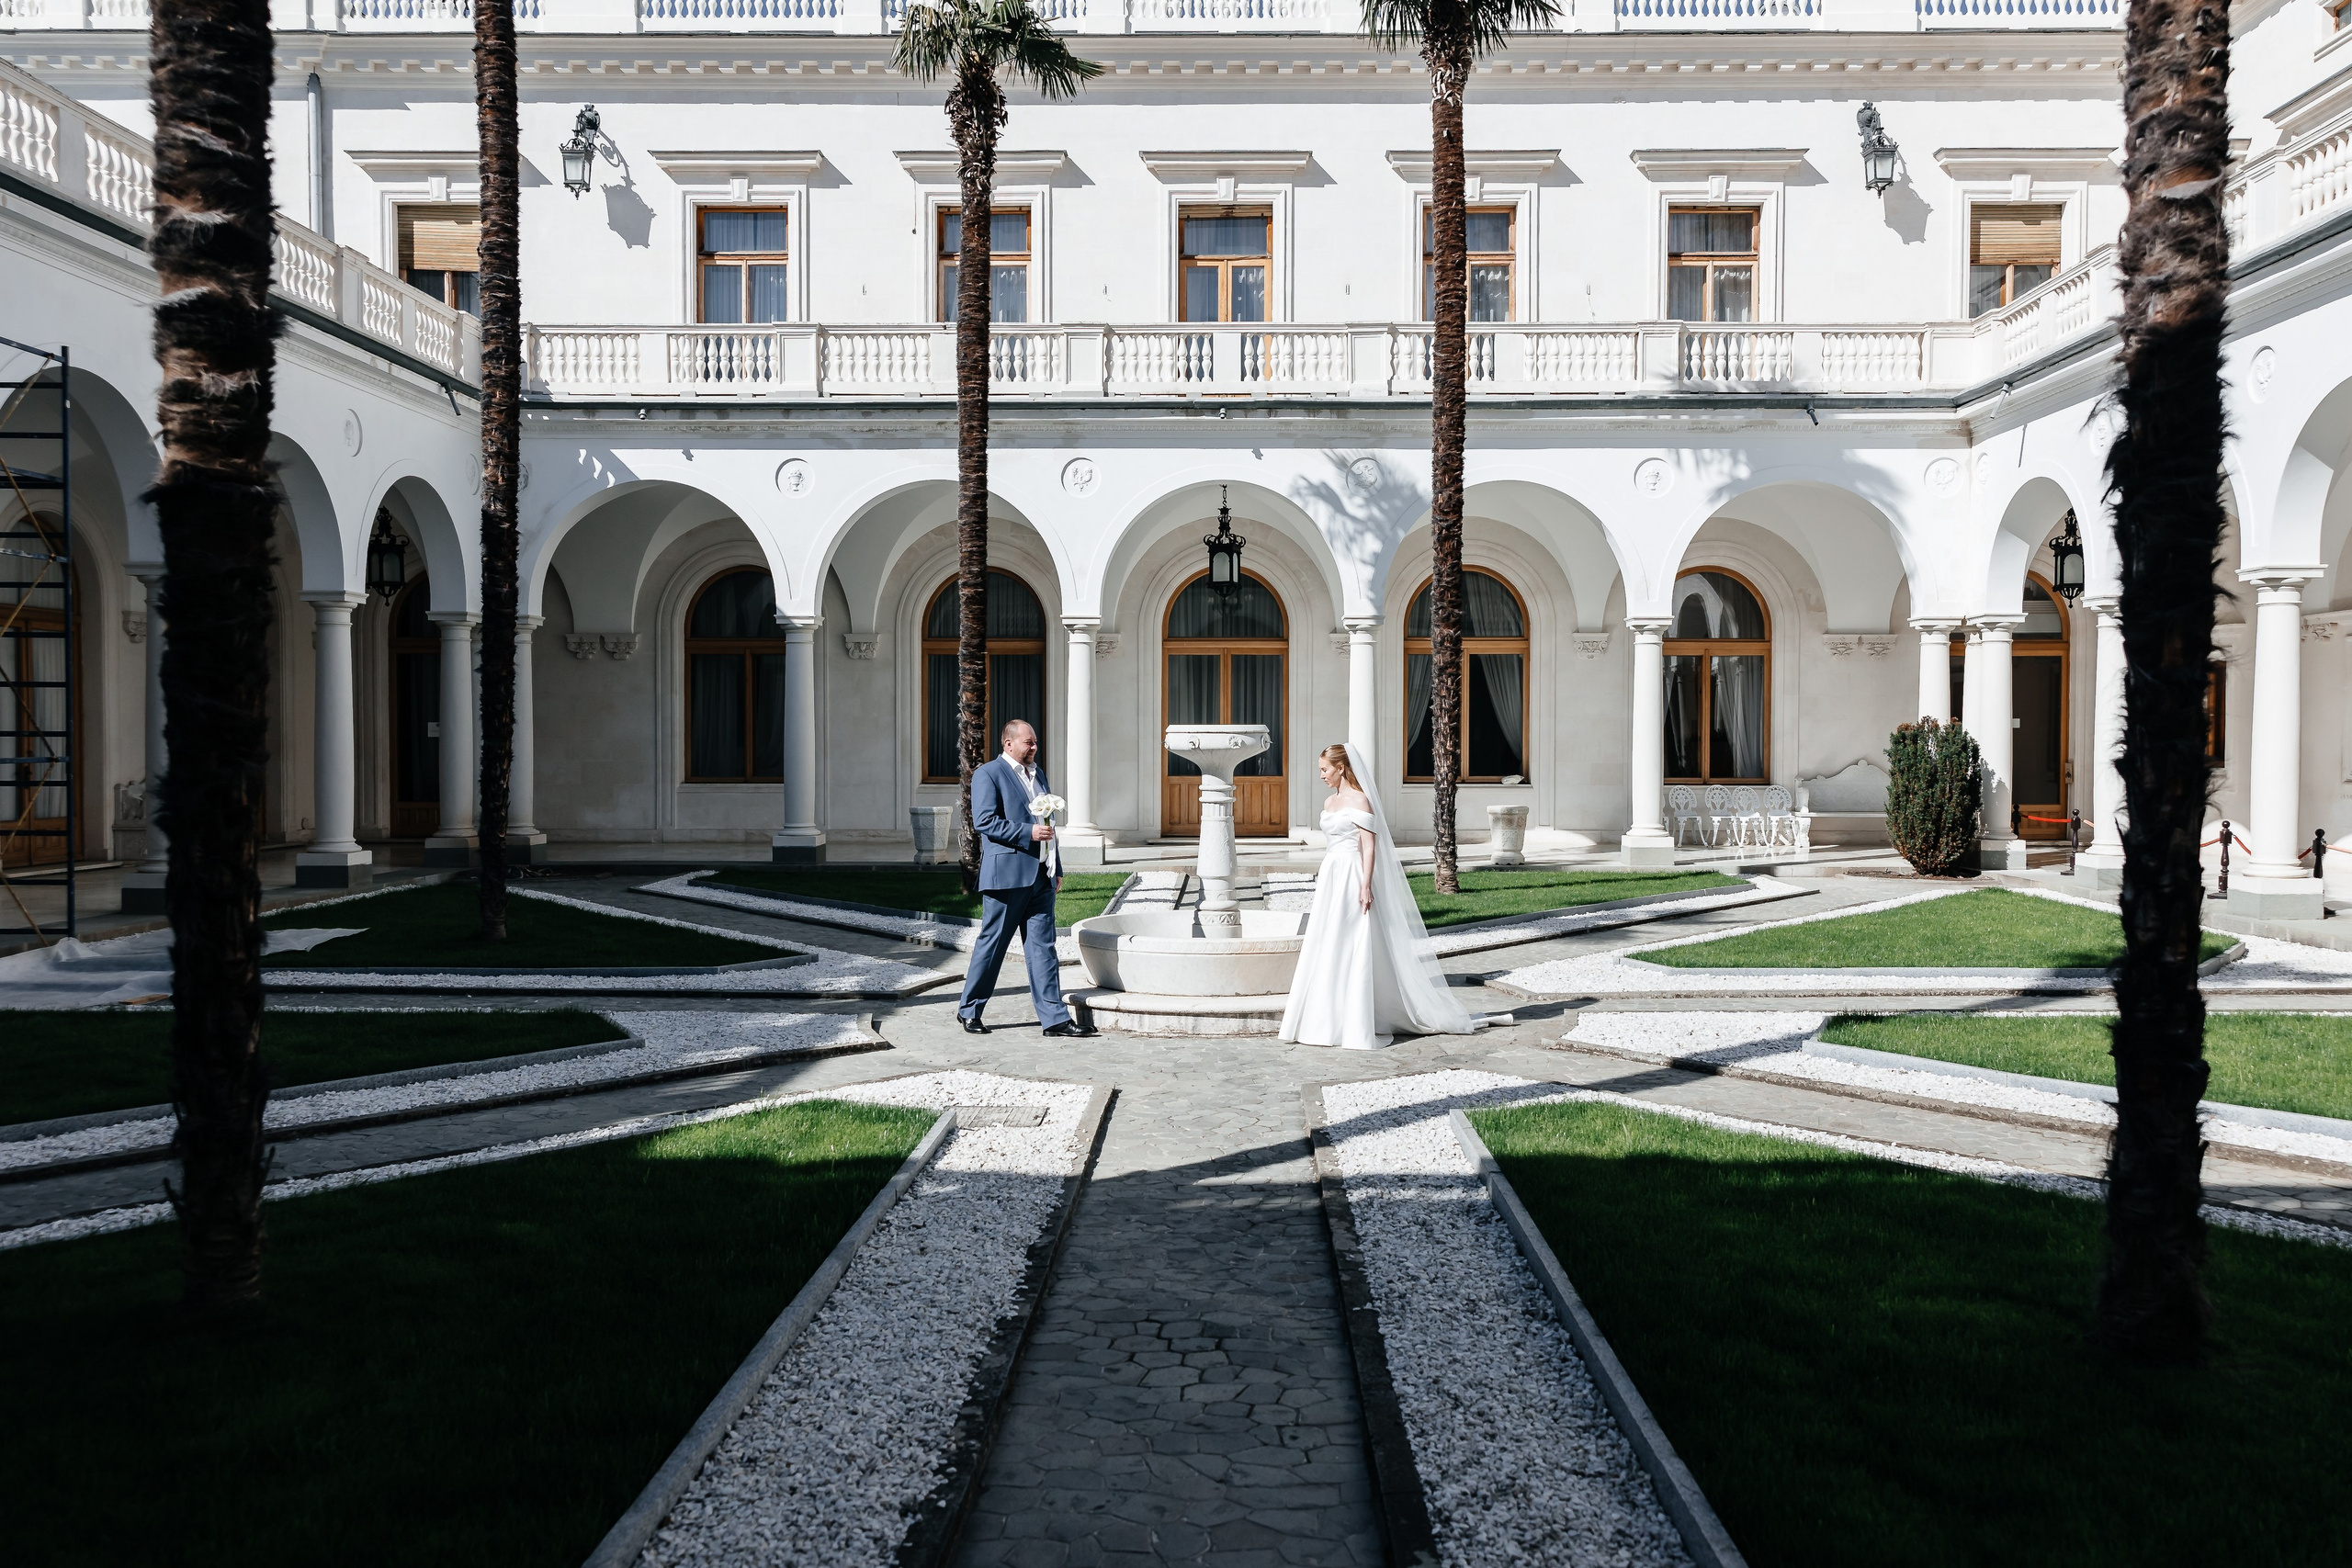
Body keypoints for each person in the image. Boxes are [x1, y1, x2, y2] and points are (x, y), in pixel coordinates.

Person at [1280, 741, 1481, 1050]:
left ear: (1341, 767)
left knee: (1352, 939)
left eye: (1325, 769)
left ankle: (1356, 1018)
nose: (1321, 775)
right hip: (1332, 874)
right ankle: (1324, 1017)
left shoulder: (1361, 801)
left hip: (1351, 874)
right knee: (1327, 938)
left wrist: (1365, 884)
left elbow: (1369, 846)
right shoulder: (1329, 802)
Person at [957, 719, 1097, 1038]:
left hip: (1041, 876)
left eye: (1034, 742)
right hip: (1006, 876)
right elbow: (985, 821)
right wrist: (1028, 833)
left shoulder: (1039, 774)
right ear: (1008, 744)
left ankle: (1054, 1020)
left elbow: (1048, 825)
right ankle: (970, 1009)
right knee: (993, 945)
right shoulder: (988, 774)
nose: (1034, 747)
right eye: (1028, 742)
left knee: (1043, 949)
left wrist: (1056, 866)